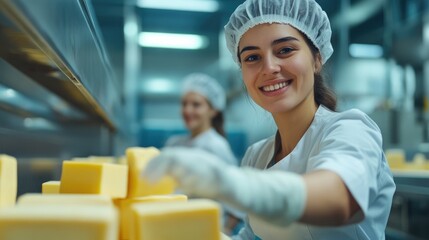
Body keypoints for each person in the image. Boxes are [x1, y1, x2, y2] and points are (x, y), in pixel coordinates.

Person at [143, 0, 396, 239]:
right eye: (252, 57)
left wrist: (231, 182)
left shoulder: (350, 130)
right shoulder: (257, 156)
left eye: (285, 50)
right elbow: (253, 236)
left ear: (317, 58)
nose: (269, 67)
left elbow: (339, 198)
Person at [164, 73, 243, 234]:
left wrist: (225, 230)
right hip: (176, 228)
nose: (187, 110)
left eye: (196, 104)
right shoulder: (175, 143)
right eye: (184, 104)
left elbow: (237, 197)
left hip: (205, 231)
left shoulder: (216, 147)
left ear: (213, 110)